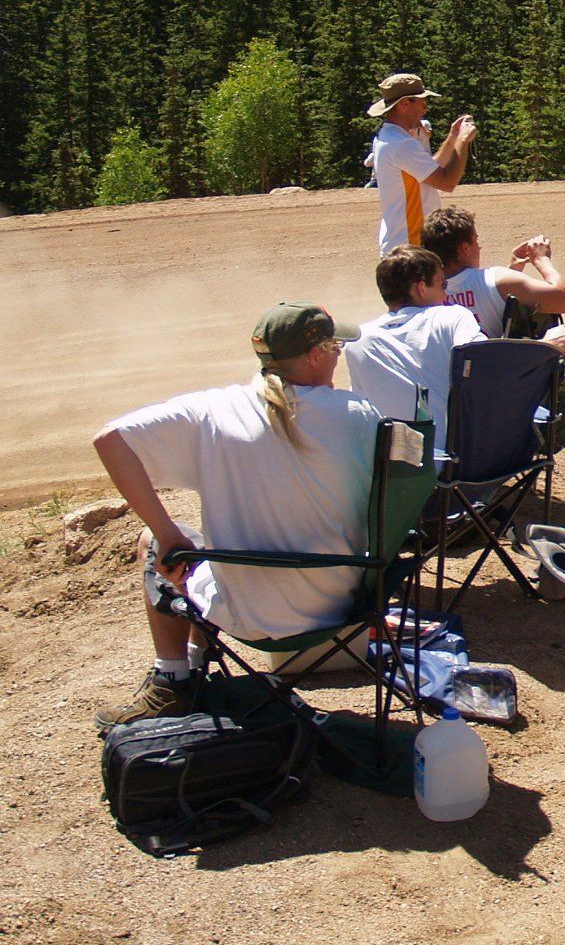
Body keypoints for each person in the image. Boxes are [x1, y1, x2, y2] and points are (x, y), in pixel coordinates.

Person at [91, 304, 385, 728]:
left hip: (247, 615)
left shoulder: (213, 411)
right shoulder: (359, 414)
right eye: (335, 346)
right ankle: (192, 666)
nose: (339, 354)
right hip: (343, 606)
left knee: (158, 543)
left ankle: (175, 679)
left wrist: (168, 533)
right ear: (315, 355)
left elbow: (109, 440)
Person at [343, 245, 565, 461]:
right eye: (442, 285)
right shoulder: (451, 317)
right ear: (421, 288)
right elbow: (493, 368)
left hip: (382, 470)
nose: (445, 295)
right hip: (448, 464)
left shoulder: (358, 338)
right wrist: (546, 346)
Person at [420, 206, 565, 340]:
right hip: (496, 366)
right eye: (475, 240)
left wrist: (512, 271)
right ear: (465, 248)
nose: (479, 247)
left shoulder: (421, 293)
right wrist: (542, 260)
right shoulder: (495, 278)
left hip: (448, 367)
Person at [366, 73, 478, 253]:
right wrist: (462, 142)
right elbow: (447, 182)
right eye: (422, 102)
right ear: (404, 104)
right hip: (411, 244)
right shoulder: (401, 144)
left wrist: (453, 138)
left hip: (403, 242)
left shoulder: (390, 137)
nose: (425, 108)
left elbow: (429, 171)